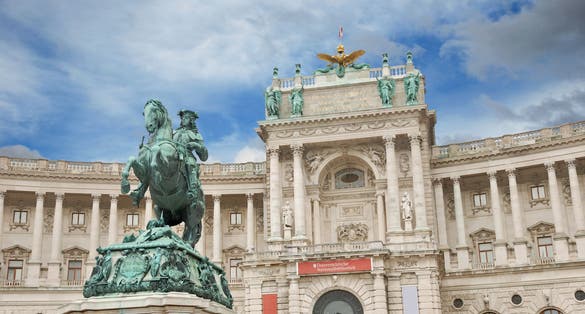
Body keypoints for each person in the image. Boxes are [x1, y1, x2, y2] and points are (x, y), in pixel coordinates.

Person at [173, 110, 208, 200]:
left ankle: (193, 190)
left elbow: (204, 156)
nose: (183, 119)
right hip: (173, 156)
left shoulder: (196, 135)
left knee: (190, 164)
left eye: (186, 118)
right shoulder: (173, 133)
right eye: (182, 118)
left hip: (187, 156)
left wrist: (196, 146)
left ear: (191, 120)